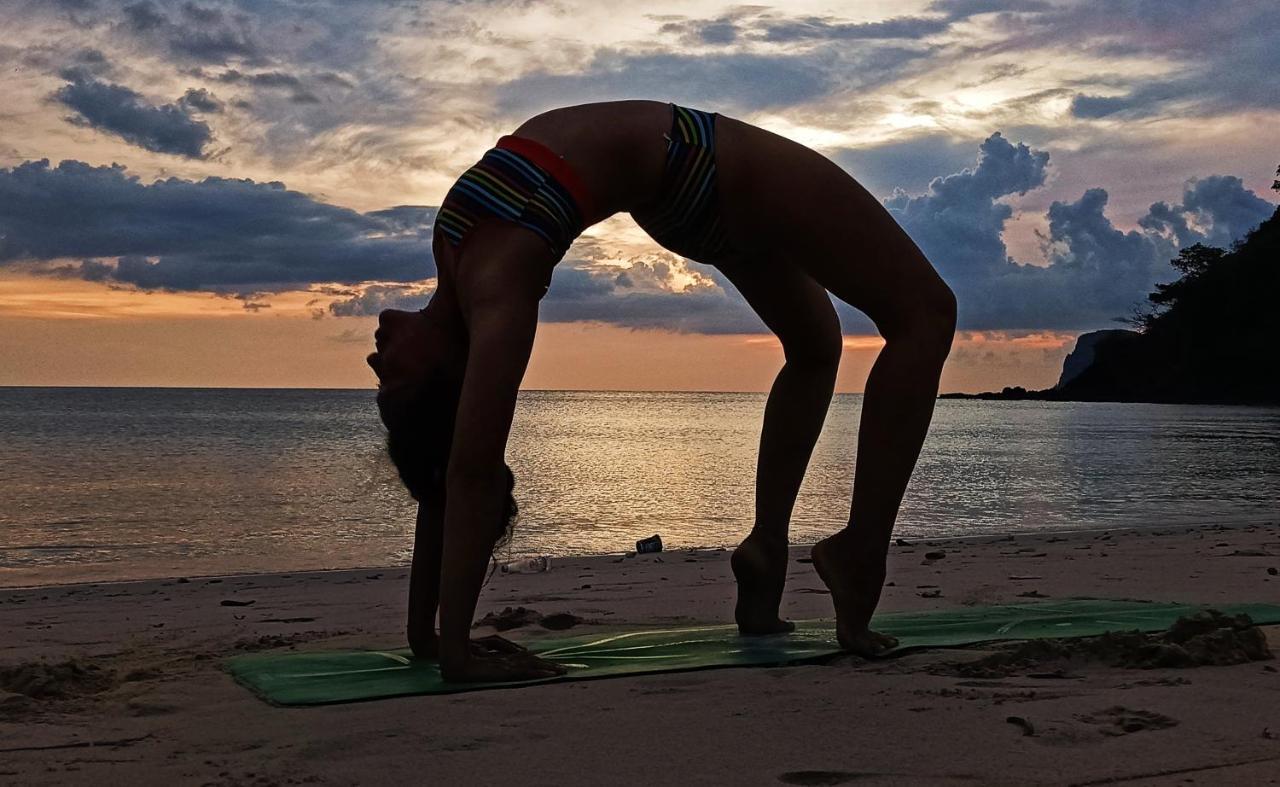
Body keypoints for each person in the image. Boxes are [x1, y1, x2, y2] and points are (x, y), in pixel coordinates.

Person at [367, 100, 956, 683]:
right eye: (390, 379)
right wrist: (458, 658)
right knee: (926, 314)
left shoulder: (456, 258)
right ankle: (862, 551)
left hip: (679, 200)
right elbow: (470, 473)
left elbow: (444, 479)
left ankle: (766, 548)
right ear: (443, 371)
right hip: (699, 162)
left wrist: (429, 636)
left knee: (815, 348)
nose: (374, 355)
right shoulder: (497, 290)